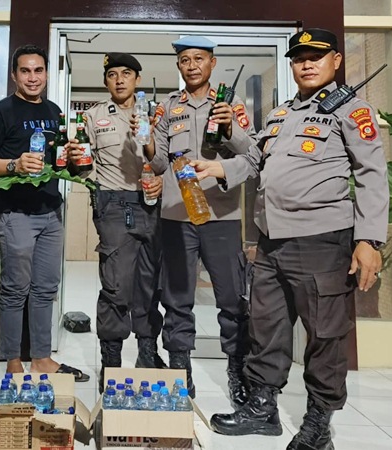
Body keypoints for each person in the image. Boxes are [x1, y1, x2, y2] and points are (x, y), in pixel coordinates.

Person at [196, 29, 389, 450]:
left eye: (316, 56)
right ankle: (262, 408)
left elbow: (373, 176)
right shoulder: (281, 113)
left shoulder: (352, 111)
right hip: (271, 240)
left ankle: (318, 424)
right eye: (299, 57)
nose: (306, 63)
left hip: (322, 241)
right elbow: (255, 159)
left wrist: (370, 240)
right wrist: (221, 169)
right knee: (267, 328)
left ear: (336, 61)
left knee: (325, 336)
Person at [148, 36, 257, 402]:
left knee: (231, 297)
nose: (191, 65)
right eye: (184, 60)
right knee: (177, 297)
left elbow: (253, 154)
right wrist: (146, 142)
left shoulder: (231, 104)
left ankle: (237, 372)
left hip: (221, 215)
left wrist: (230, 130)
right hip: (176, 214)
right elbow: (159, 163)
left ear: (212, 63)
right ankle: (180, 371)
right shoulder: (168, 108)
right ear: (178, 66)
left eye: (199, 59)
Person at [0, 44, 88, 382]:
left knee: (45, 288)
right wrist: (14, 163)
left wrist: (74, 156)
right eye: (25, 71)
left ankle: (41, 358)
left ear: (47, 74)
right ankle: (12, 360)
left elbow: (59, 161)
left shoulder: (54, 111)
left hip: (50, 210)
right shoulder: (0, 112)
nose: (33, 77)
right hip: (15, 212)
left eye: (38, 71)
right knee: (15, 287)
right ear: (14, 75)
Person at [64, 53, 165, 392]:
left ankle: (148, 353)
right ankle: (112, 362)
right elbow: (79, 167)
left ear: (137, 78)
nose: (119, 79)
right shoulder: (93, 116)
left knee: (150, 285)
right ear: (106, 81)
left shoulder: (157, 112)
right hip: (113, 204)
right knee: (116, 285)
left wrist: (149, 140)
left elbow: (167, 161)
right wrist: (75, 161)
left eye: (126, 73)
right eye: (112, 75)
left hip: (154, 203)